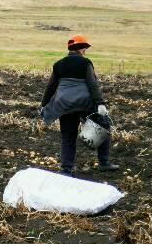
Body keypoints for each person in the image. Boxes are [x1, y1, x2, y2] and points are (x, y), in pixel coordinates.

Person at [40, 34, 118, 176]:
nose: (85, 51)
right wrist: (100, 104)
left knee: (68, 137)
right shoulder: (85, 63)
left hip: (63, 105)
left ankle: (66, 169)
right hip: (84, 104)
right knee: (103, 125)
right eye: (84, 48)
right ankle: (104, 162)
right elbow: (92, 85)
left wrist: (43, 104)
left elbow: (50, 87)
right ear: (81, 49)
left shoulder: (58, 64)